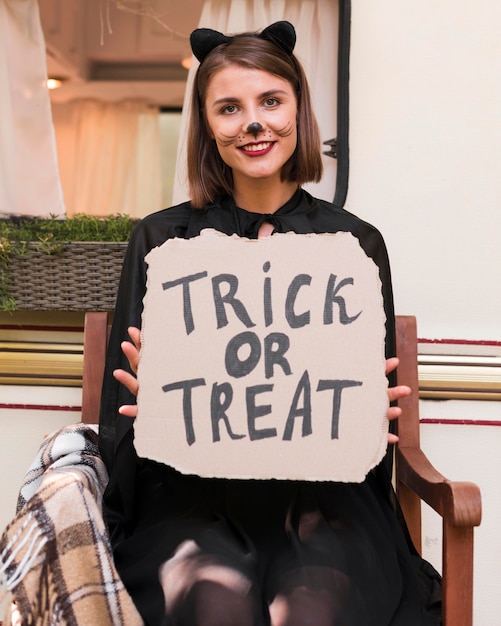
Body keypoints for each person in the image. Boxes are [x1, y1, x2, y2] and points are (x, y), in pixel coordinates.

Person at [99, 21, 441, 625]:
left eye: (270, 102)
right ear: (207, 126)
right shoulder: (160, 239)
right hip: (189, 498)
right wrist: (151, 405)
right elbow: (120, 416)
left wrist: (369, 411)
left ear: (298, 110)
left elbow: (363, 423)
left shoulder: (354, 243)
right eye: (229, 108)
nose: (253, 123)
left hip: (324, 505)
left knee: (312, 607)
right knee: (213, 599)